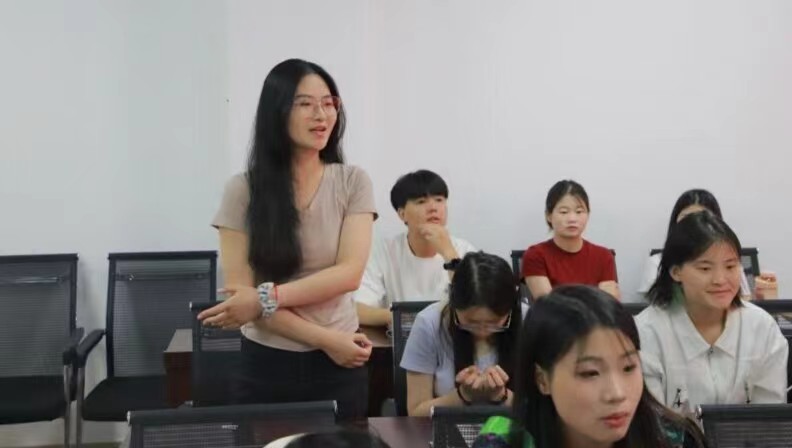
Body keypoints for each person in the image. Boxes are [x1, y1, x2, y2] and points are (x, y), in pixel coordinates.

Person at [198, 58, 377, 420]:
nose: (321, 115)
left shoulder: (353, 182)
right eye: (305, 103)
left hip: (340, 368)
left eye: (328, 103)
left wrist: (266, 297)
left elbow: (349, 274)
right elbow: (241, 300)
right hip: (268, 363)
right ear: (277, 112)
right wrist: (327, 340)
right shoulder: (243, 190)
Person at [473, 285, 707, 448]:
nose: (617, 393)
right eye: (590, 373)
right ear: (542, 379)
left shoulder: (673, 439)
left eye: (628, 368)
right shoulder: (500, 443)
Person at [636, 211, 788, 415]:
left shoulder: (762, 328)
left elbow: (769, 417)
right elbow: (651, 422)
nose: (720, 280)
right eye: (705, 269)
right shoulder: (646, 333)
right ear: (676, 272)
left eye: (730, 266)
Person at [400, 252, 527, 416]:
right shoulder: (429, 323)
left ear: (510, 309)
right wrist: (462, 396)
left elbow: (543, 412)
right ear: (454, 304)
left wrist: (501, 396)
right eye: (471, 322)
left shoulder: (528, 320)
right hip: (446, 429)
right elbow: (416, 412)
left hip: (514, 430)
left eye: (494, 322)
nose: (482, 330)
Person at [355, 169, 475, 327]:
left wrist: (449, 254)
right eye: (421, 201)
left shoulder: (464, 250)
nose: (433, 207)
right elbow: (358, 310)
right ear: (402, 214)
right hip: (400, 338)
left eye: (439, 200)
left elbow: (477, 307)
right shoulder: (383, 251)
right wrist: (414, 320)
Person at [636, 189, 766, 299]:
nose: (695, 225)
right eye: (704, 268)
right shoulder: (656, 262)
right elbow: (652, 305)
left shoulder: (730, 260)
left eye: (702, 217)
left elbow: (743, 301)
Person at [521, 180, 620, 300]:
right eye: (564, 212)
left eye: (579, 212)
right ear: (548, 216)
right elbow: (548, 305)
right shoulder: (535, 256)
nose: (572, 219)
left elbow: (610, 304)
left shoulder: (603, 256)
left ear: (588, 214)